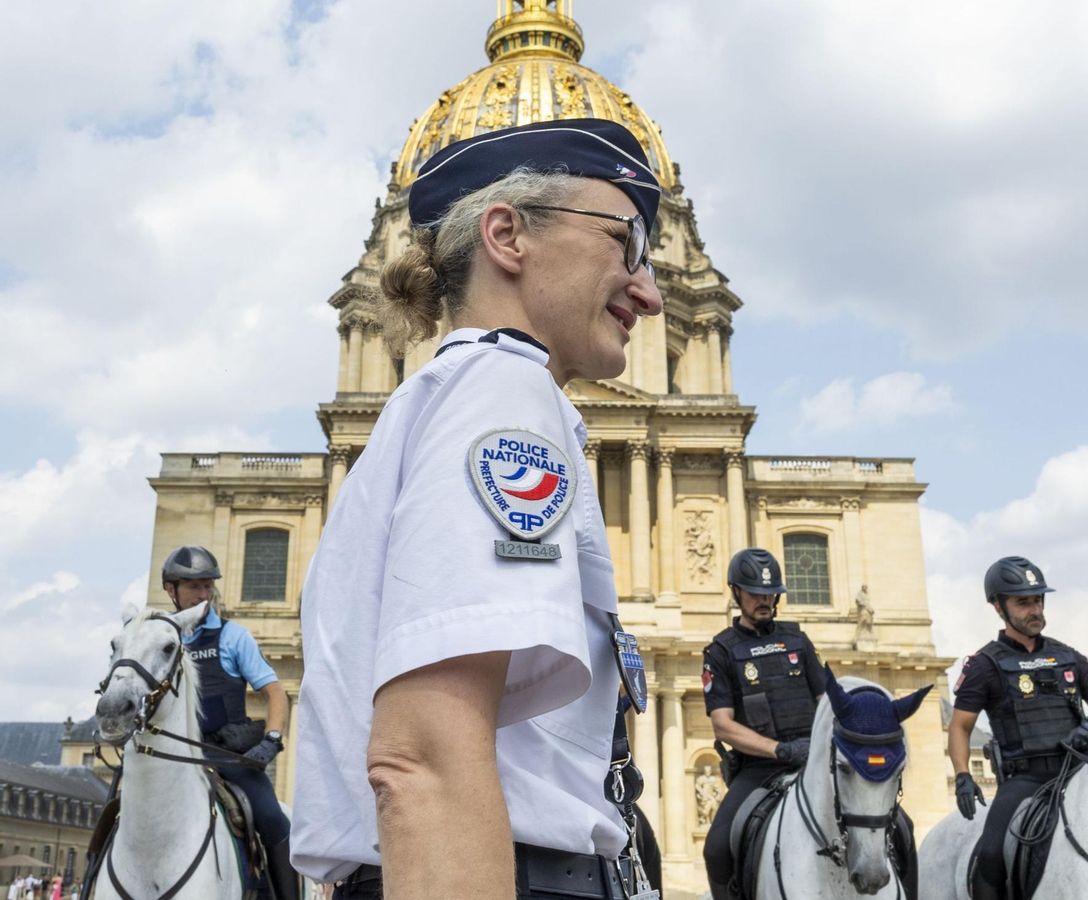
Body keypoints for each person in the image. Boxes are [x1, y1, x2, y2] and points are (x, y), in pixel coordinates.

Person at [290, 118, 666, 899]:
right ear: (507, 236)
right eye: (625, 244)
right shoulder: (504, 391)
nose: (652, 292)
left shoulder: (440, 402)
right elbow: (422, 757)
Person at [949, 556, 1088, 900]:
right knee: (990, 856)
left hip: (1079, 773)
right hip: (1025, 780)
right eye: (1023, 602)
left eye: (1038, 600)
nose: (1034, 609)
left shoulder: (1070, 658)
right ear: (998, 607)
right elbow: (961, 727)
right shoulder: (985, 665)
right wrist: (963, 776)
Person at [160, 545, 298, 899]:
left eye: (208, 586)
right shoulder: (159, 638)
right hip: (172, 756)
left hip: (228, 757)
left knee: (273, 820)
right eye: (194, 587)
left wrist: (272, 739)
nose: (204, 594)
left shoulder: (233, 636)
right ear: (170, 590)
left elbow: (276, 694)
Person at [701, 548, 823, 900]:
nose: (765, 600)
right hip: (759, 769)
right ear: (736, 593)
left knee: (897, 826)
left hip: (814, 760)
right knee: (717, 849)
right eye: (756, 593)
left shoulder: (799, 640)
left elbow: (826, 702)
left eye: (771, 594)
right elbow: (723, 726)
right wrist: (779, 749)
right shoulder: (721, 652)